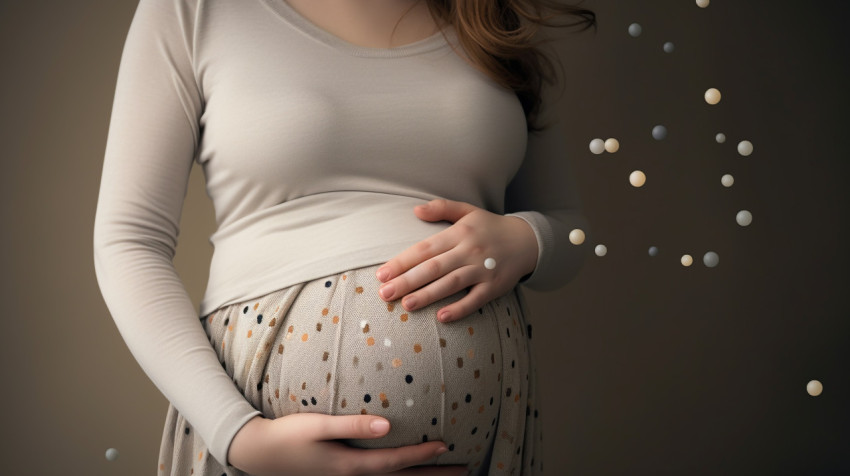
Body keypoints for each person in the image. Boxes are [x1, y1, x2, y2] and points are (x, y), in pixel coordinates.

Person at [92, 0, 596, 474]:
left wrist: (527, 240)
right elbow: (129, 241)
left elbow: (570, 229)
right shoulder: (195, 9)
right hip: (261, 440)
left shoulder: (496, 20)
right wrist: (240, 437)